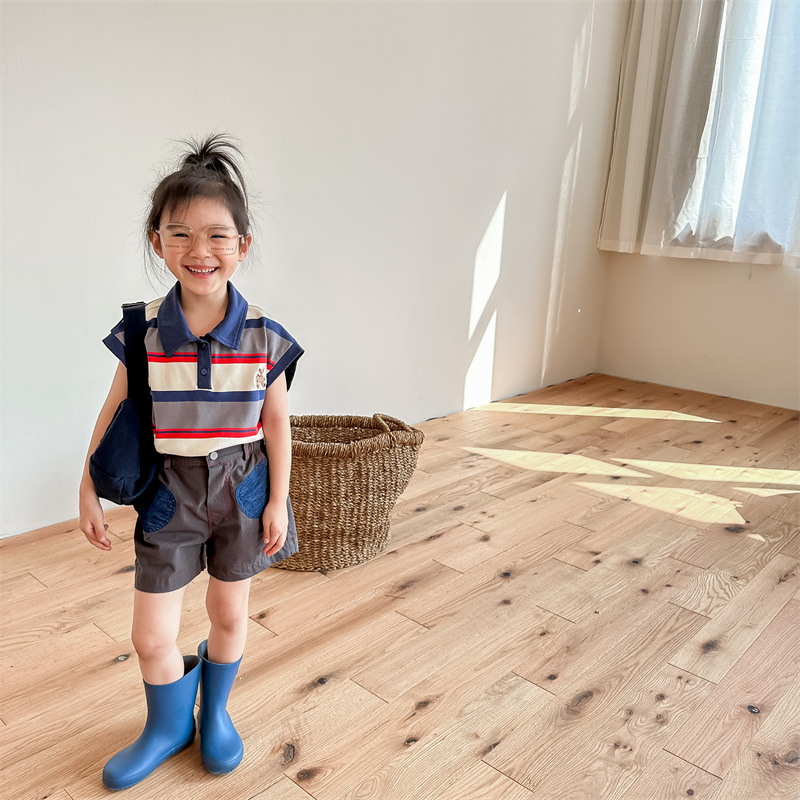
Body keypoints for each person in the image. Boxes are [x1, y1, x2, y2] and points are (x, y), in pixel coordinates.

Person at [78, 134, 303, 790]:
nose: (199, 251)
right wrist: (88, 488)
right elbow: (114, 411)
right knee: (151, 636)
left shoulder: (265, 335)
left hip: (242, 485)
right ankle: (167, 726)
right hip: (169, 491)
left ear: (242, 245)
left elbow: (277, 422)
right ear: (158, 243)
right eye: (180, 234)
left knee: (229, 615)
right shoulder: (143, 330)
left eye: (217, 235)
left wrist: (278, 499)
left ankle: (216, 713)